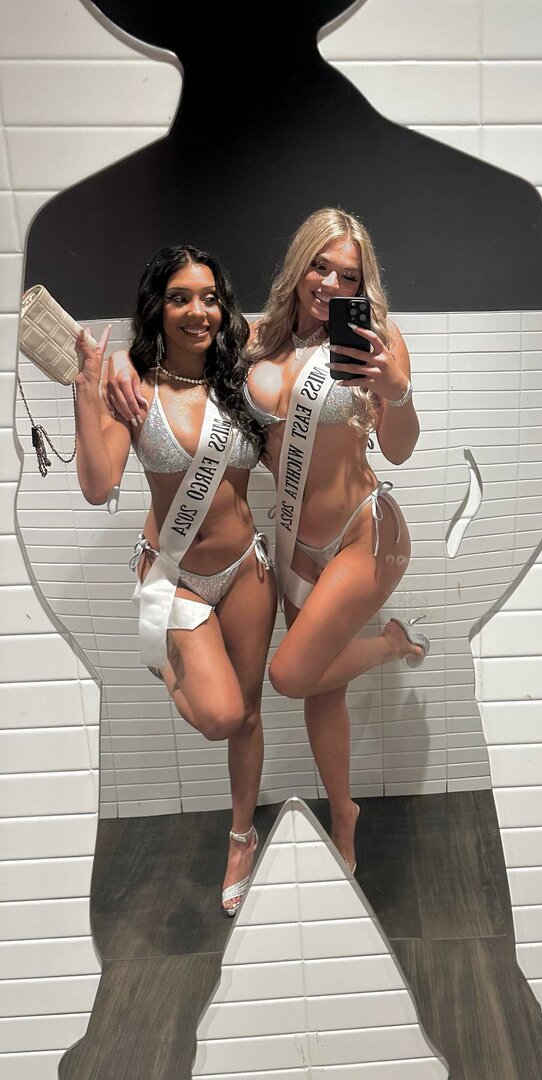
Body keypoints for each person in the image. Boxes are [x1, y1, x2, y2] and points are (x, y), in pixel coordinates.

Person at [107, 211, 428, 873]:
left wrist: (395, 391)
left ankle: (392, 645)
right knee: (321, 693)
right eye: (320, 266)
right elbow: (174, 355)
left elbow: (399, 449)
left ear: (362, 284)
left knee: (291, 675)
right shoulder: (252, 340)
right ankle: (344, 813)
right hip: (293, 548)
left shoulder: (376, 339)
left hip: (363, 533)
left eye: (348, 276)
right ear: (298, 266)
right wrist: (117, 364)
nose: (331, 285)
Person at [74, 246, 277, 915]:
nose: (198, 311)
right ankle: (160, 653)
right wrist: (89, 384)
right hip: (176, 573)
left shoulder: (241, 375)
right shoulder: (132, 390)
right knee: (220, 716)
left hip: (246, 570)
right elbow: (98, 483)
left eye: (210, 297)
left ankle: (241, 838)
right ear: (157, 308)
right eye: (181, 298)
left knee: (248, 714)